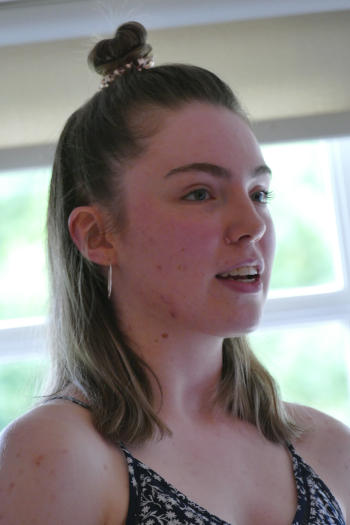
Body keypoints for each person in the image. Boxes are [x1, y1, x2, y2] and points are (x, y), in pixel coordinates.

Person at [0, 21, 349, 525]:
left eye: (260, 193)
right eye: (200, 193)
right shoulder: (58, 454)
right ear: (98, 236)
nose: (252, 225)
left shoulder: (328, 448)